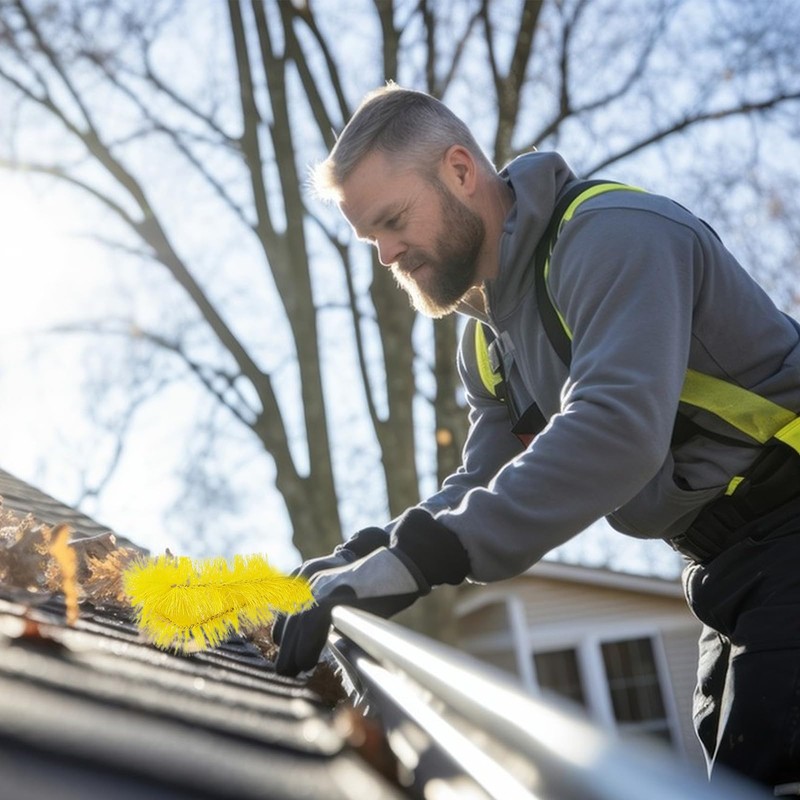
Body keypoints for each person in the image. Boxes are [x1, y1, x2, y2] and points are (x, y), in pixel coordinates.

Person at [273, 83, 800, 792]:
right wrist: (372, 553)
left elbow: (615, 428)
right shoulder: (487, 342)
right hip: (725, 568)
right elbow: (482, 484)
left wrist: (420, 559)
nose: (388, 255)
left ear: (461, 170)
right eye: (371, 239)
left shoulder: (614, 237)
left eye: (393, 222)